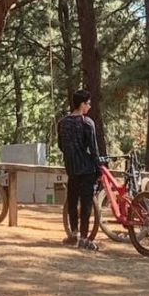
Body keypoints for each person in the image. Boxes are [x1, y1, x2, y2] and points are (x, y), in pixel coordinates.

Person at [57, 88, 104, 251]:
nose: (89, 106)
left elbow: (61, 146)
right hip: (87, 169)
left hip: (71, 167)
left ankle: (73, 233)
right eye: (88, 103)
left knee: (72, 201)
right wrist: (99, 168)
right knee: (86, 204)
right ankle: (84, 238)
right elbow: (94, 149)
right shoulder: (87, 123)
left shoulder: (62, 123)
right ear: (82, 104)